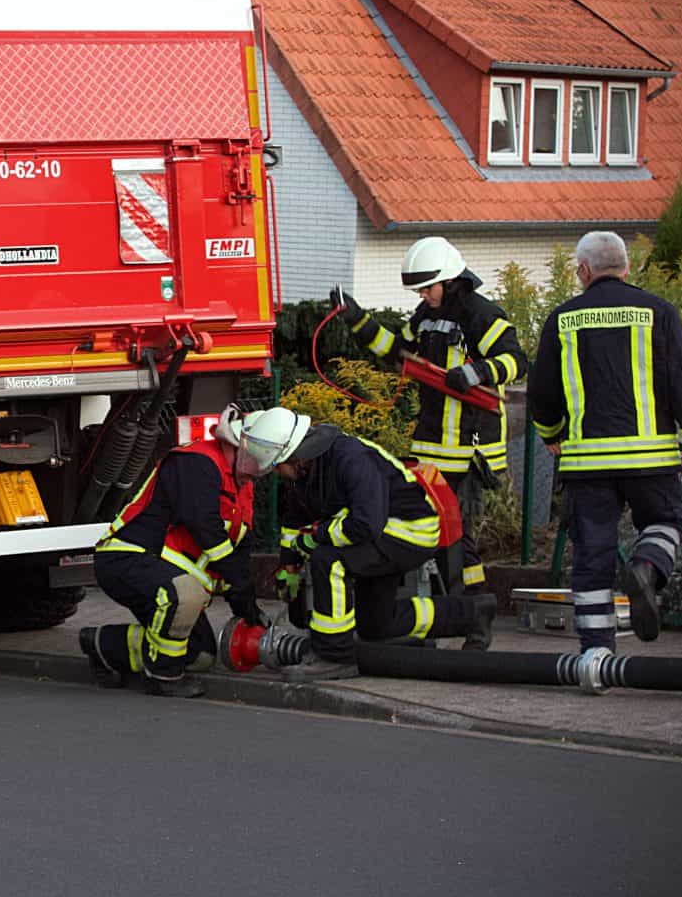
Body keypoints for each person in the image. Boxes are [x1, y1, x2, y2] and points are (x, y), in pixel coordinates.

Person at [528, 231, 682, 649]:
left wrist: (551, 434)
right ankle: (647, 566)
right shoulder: (660, 313)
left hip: (587, 467)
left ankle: (596, 656)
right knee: (667, 520)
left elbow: (541, 393)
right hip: (650, 462)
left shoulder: (562, 319)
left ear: (583, 271)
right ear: (627, 268)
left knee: (592, 557)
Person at [332, 236, 528, 599]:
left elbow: (516, 360)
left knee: (456, 532)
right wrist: (359, 321)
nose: (422, 295)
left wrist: (477, 373)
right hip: (431, 446)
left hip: (469, 450)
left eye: (427, 288)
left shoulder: (482, 314)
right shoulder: (426, 316)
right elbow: (396, 352)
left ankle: (471, 604)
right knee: (436, 528)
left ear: (449, 281)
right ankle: (457, 604)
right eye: (419, 290)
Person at [271, 412, 498, 681]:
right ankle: (473, 615)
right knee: (376, 624)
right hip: (379, 533)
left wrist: (318, 535)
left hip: (410, 530)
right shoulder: (306, 475)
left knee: (329, 559)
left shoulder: (350, 458)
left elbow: (366, 523)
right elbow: (294, 522)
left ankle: (334, 657)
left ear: (294, 456)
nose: (275, 472)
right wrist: (289, 565)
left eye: (276, 465)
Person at [80, 410, 269, 697]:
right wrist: (239, 585)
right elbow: (205, 527)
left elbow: (237, 552)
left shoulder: (243, 488)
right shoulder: (196, 462)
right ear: (235, 444)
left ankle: (102, 645)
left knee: (199, 655)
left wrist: (247, 606)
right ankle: (163, 677)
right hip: (126, 557)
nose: (257, 470)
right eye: (256, 459)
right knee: (184, 595)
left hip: (163, 571)